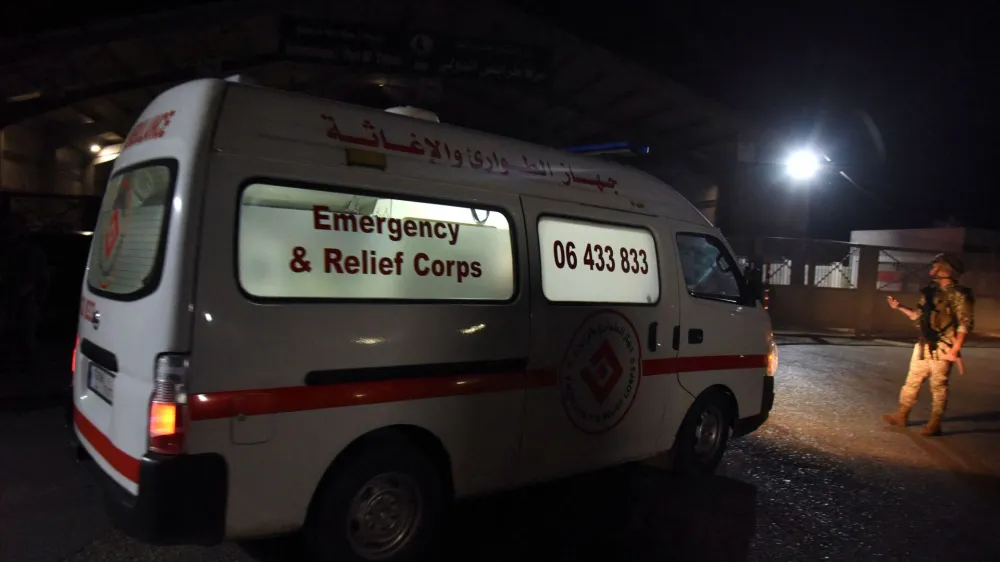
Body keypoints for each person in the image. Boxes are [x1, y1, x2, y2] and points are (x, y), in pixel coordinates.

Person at [881, 253, 974, 436]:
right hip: (923, 345)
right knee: (912, 381)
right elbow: (919, 316)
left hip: (943, 346)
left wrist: (955, 350)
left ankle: (935, 423)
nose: (932, 268)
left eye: (936, 265)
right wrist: (900, 307)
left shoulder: (959, 295)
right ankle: (902, 415)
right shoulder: (931, 292)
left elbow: (965, 324)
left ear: (945, 269)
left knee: (938, 386)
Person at [0, 214, 49, 376]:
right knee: (15, 335)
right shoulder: (14, 250)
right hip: (16, 297)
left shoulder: (28, 251)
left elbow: (36, 277)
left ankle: (27, 368)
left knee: (24, 336)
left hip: (24, 298)